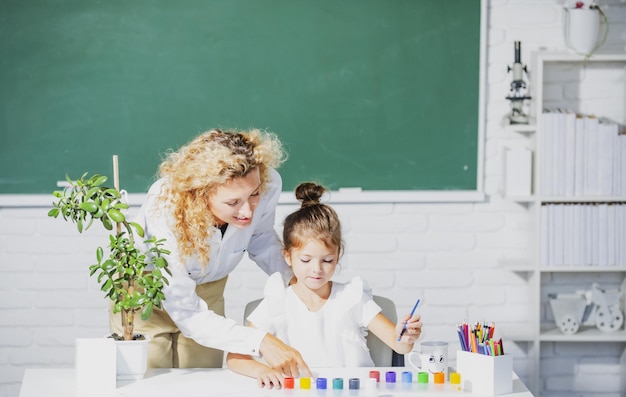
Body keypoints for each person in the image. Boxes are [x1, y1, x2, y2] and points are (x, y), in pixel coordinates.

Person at [109, 128, 312, 378]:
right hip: (146, 299)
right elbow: (185, 309)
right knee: (150, 380)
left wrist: (299, 283)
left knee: (202, 380)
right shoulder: (166, 204)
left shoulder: (266, 182)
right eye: (233, 202)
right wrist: (261, 341)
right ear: (200, 194)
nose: (248, 211)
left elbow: (260, 238)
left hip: (210, 289)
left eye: (254, 195)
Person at [226, 182, 423, 388]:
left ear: (338, 256)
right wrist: (262, 370)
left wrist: (405, 336)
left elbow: (399, 346)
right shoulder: (278, 301)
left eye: (327, 260)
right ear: (288, 256)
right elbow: (235, 357)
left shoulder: (351, 296)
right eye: (305, 260)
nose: (316, 269)